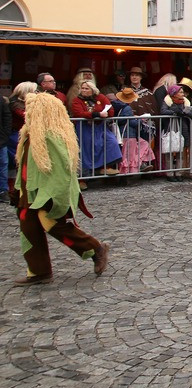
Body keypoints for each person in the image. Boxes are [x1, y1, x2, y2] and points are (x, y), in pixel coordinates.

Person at [12, 92, 109, 284]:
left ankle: (95, 248)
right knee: (29, 228)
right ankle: (39, 271)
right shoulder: (29, 134)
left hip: (47, 192)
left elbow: (62, 170)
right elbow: (24, 164)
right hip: (29, 190)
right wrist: (18, 189)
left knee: (51, 223)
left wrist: (55, 195)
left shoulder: (52, 136)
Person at [69, 80, 122, 177]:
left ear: (93, 90)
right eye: (82, 88)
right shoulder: (77, 100)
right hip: (84, 128)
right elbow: (79, 113)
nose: (83, 90)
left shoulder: (101, 97)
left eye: (86, 88)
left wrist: (106, 114)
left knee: (111, 142)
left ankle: (104, 167)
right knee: (86, 148)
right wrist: (97, 114)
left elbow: (110, 109)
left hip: (100, 126)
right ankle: (84, 176)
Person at [115, 87, 155, 175]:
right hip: (129, 134)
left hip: (122, 134)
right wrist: (140, 120)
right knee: (130, 155)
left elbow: (123, 119)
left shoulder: (118, 106)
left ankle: (139, 166)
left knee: (126, 155)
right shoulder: (127, 108)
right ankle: (128, 173)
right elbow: (132, 123)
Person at [159, 84, 192, 182]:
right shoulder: (167, 101)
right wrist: (174, 112)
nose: (183, 94)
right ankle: (170, 173)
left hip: (183, 127)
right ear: (174, 93)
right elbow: (163, 111)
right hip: (170, 128)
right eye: (181, 92)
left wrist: (186, 112)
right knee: (169, 151)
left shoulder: (186, 102)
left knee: (181, 151)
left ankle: (179, 173)